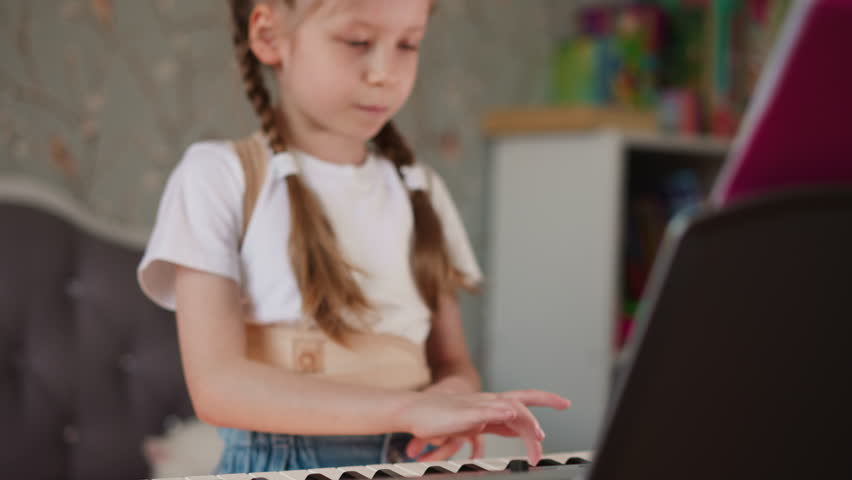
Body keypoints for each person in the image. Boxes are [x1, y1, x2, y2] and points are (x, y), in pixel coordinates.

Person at [138, 0, 571, 474]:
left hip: (408, 465)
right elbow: (218, 388)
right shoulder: (219, 175)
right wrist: (407, 409)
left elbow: (455, 364)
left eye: (408, 44)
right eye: (358, 42)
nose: (385, 73)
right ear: (269, 35)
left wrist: (452, 404)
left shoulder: (420, 189)